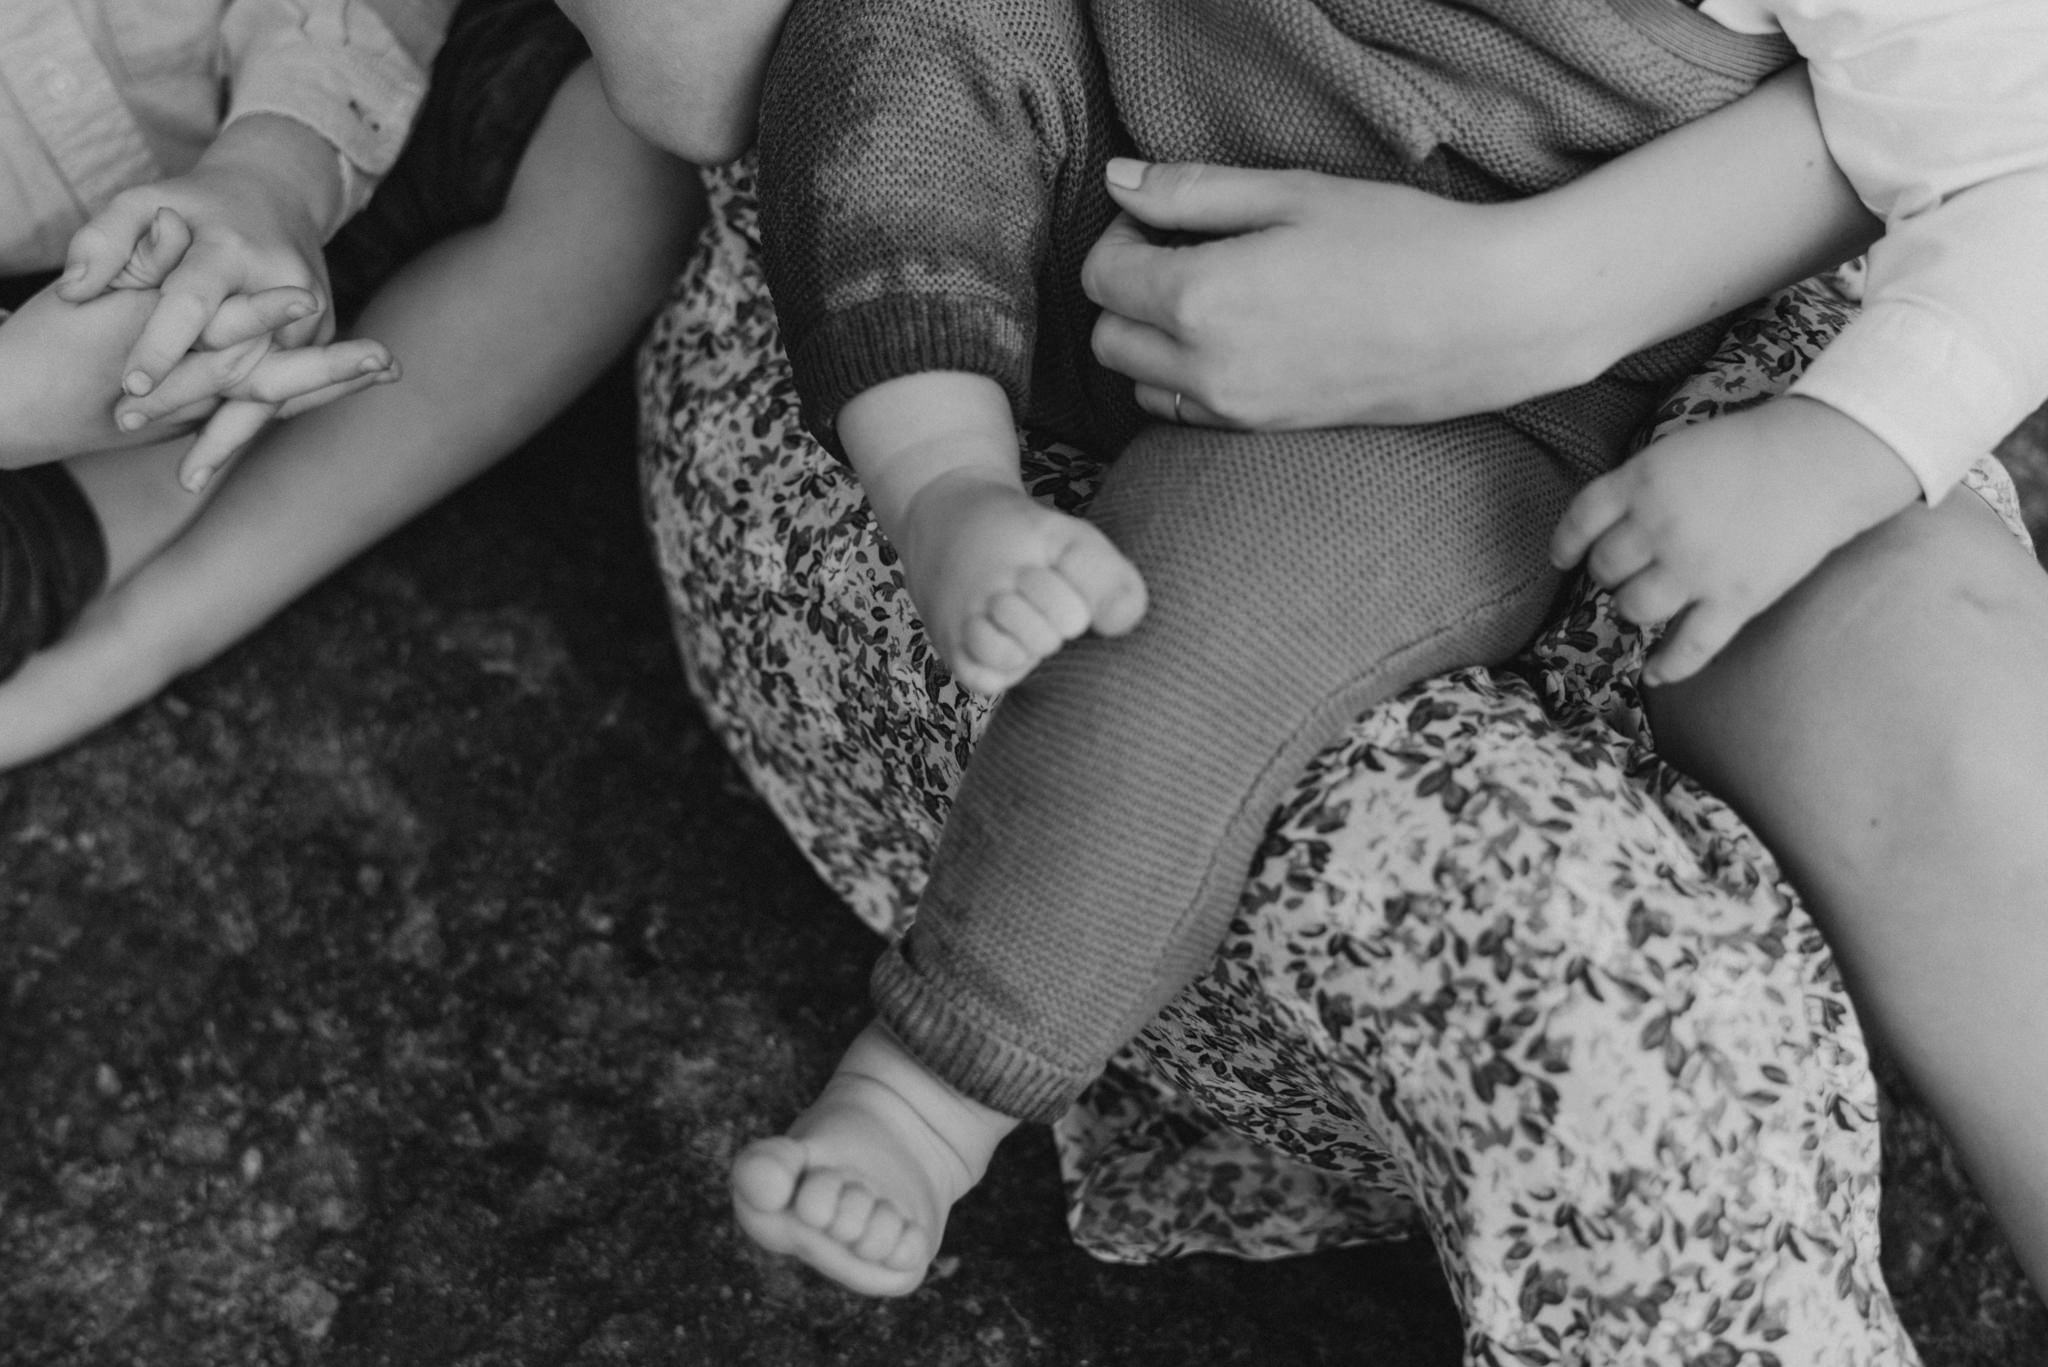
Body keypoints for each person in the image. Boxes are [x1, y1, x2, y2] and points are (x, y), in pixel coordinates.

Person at [722, 0, 2048, 1311]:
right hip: (1124, 101)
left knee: (1190, 642)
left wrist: (1830, 454)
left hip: (1435, 399)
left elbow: (2021, 180)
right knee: (902, 36)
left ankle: (930, 1089)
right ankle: (942, 474)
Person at [0, 0, 699, 765]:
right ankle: (138, 553)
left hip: (335, 85)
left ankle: (154, 620)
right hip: (37, 345)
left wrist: (275, 169)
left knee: (629, 149)